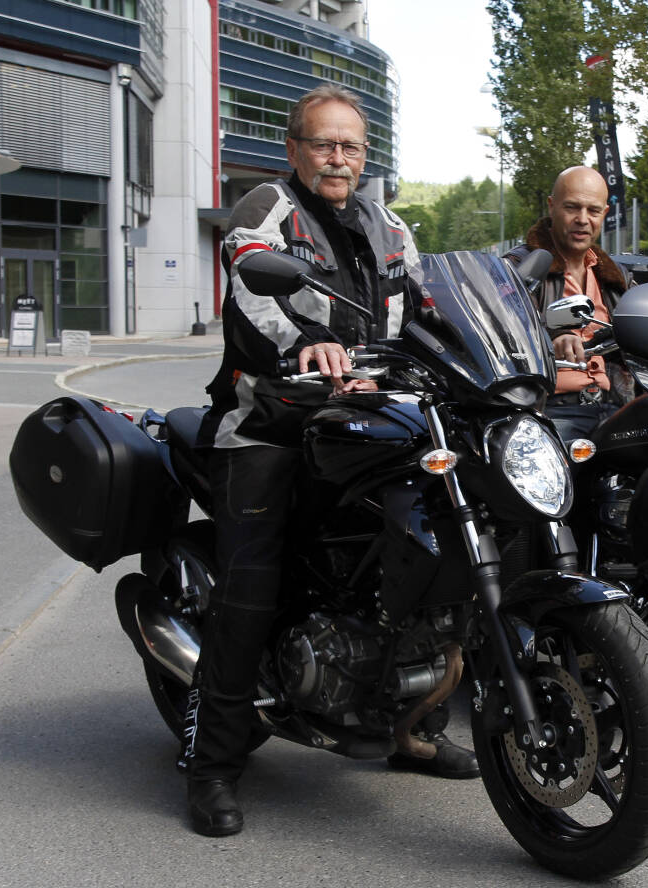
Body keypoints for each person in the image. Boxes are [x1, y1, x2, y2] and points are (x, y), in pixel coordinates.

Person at [188, 84, 477, 839]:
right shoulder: (266, 209)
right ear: (295, 150)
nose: (337, 157)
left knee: (435, 548)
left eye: (349, 145)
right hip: (269, 425)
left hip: (366, 422)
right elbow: (251, 275)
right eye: (323, 143)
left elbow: (430, 306)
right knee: (250, 584)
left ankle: (413, 726)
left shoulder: (389, 226)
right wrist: (301, 346)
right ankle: (212, 763)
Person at [504, 166, 634, 442]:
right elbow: (501, 330)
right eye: (572, 208)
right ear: (552, 207)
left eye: (593, 210)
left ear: (604, 214)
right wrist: (553, 336)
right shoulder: (519, 268)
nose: (583, 220)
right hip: (548, 410)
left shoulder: (615, 276)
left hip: (614, 406)